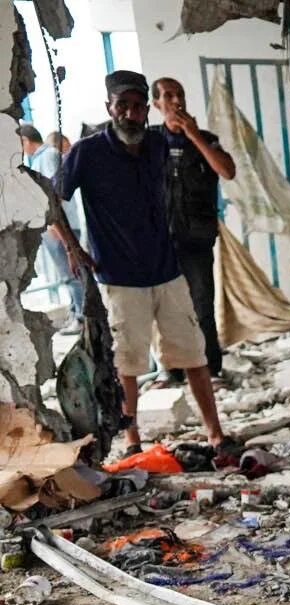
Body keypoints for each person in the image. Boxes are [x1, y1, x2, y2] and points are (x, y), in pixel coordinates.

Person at [54, 71, 227, 455]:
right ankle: (133, 443)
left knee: (194, 354)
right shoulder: (87, 151)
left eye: (137, 107)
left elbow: (221, 168)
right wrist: (72, 247)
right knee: (127, 364)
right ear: (109, 109)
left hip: (168, 270)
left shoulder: (156, 143)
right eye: (123, 106)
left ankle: (215, 434)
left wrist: (186, 125)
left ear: (146, 110)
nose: (130, 114)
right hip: (118, 277)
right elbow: (52, 203)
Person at [150, 76, 235, 386]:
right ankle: (171, 371)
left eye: (180, 94)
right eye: (168, 96)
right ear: (157, 105)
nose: (176, 101)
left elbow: (227, 170)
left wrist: (194, 135)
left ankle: (211, 369)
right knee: (165, 308)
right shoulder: (149, 142)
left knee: (201, 306)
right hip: (160, 241)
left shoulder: (206, 139)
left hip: (196, 239)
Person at [18, 123, 83, 327]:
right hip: (58, 227)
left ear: (25, 141)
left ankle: (80, 317)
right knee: (68, 274)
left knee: (71, 274)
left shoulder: (46, 157)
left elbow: (53, 196)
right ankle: (76, 311)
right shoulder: (41, 158)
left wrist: (57, 227)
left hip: (61, 228)